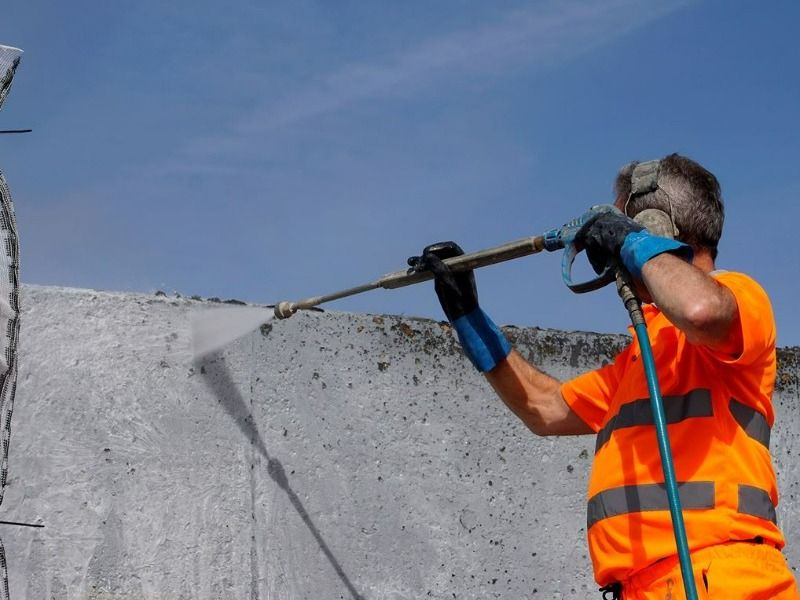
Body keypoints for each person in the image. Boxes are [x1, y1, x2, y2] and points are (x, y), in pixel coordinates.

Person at [409, 154, 800, 599]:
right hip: (650, 585)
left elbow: (701, 309)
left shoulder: (740, 296)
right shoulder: (645, 354)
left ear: (655, 228)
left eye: (622, 225)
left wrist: (632, 244)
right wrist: (468, 316)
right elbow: (543, 409)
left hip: (718, 576)